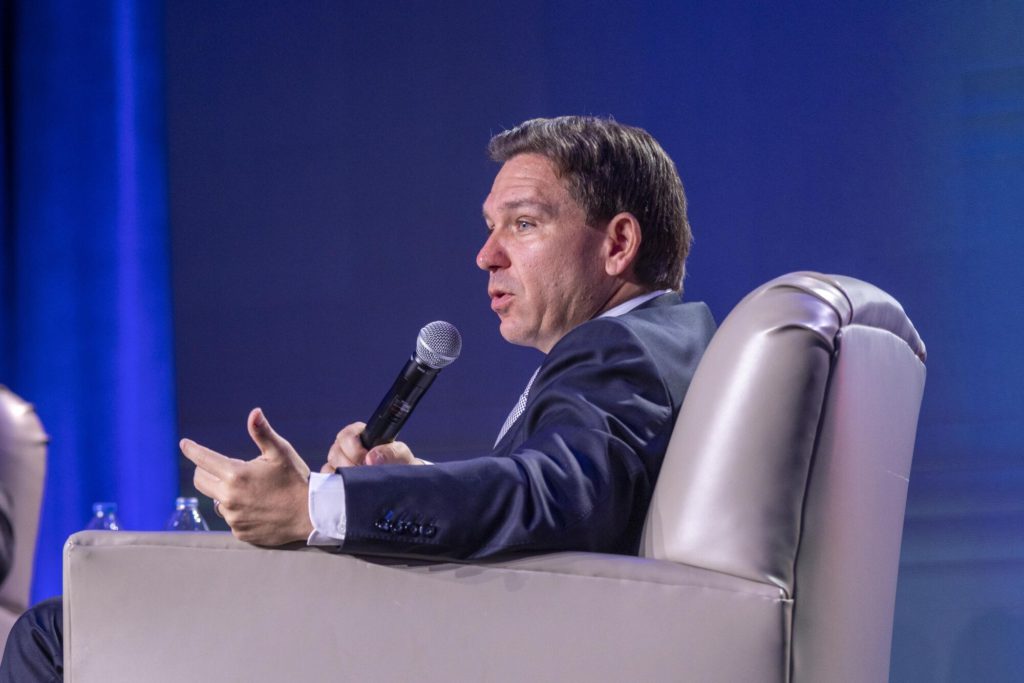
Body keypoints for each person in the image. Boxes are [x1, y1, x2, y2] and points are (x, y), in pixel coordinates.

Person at [0, 115, 715, 680]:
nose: (486, 255)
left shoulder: (618, 348)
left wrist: (315, 505)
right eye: (489, 227)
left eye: (523, 224)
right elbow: (566, 497)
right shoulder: (658, 343)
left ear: (617, 243)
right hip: (482, 632)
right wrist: (410, 482)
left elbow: (559, 497)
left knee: (60, 632)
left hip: (457, 647)